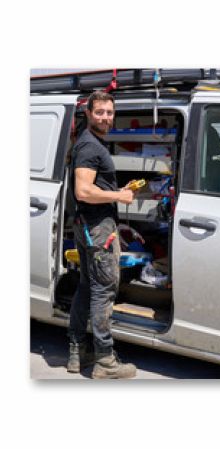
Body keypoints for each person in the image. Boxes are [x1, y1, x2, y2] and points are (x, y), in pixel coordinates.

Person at [67, 91, 137, 379]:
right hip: (97, 229)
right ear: (88, 112)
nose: (106, 117)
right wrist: (119, 196)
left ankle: (77, 352)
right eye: (100, 112)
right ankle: (105, 361)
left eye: (109, 112)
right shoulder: (89, 147)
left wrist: (115, 191)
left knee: (87, 286)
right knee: (103, 291)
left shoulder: (91, 143)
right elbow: (82, 191)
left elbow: (92, 186)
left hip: (89, 225)